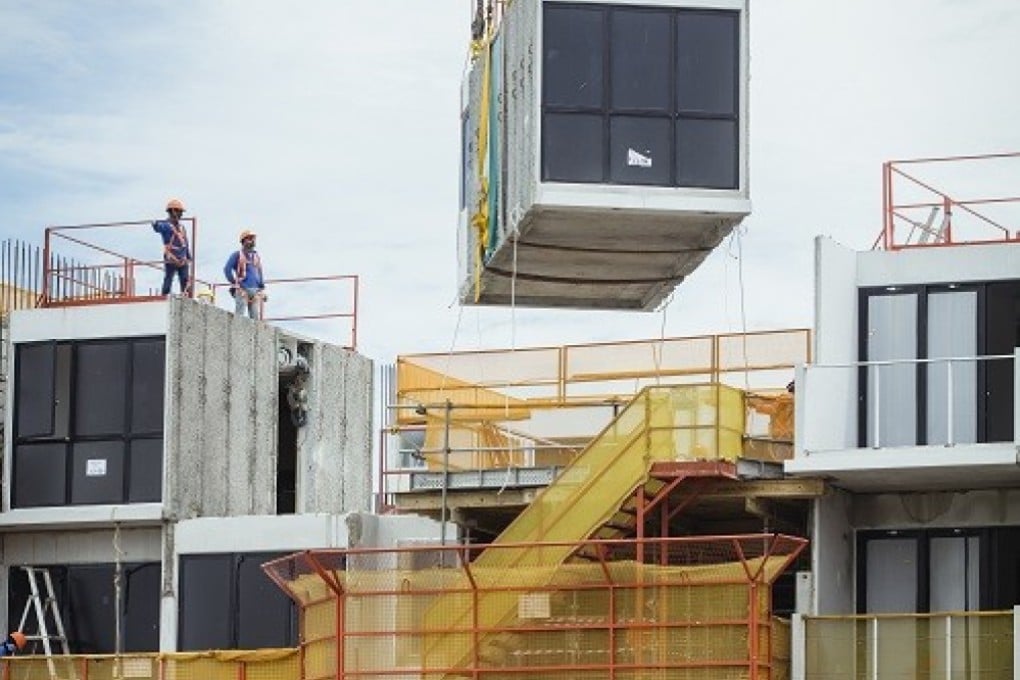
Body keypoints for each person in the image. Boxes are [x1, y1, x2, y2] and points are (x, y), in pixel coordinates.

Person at [152, 198, 192, 296]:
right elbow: (158, 228)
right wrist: (155, 224)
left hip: (182, 259)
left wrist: (188, 256)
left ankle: (185, 296)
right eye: (180, 212)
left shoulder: (181, 227)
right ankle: (164, 297)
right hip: (171, 258)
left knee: (185, 280)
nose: (181, 214)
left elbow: (185, 243)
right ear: (173, 211)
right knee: (168, 279)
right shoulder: (166, 225)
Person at [224, 230, 265, 319]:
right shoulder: (237, 255)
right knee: (239, 316)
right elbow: (227, 270)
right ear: (243, 241)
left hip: (255, 291)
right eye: (250, 239)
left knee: (255, 319)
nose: (252, 241)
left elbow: (259, 271)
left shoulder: (256, 256)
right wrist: (235, 282)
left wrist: (261, 286)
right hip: (242, 290)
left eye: (253, 239)